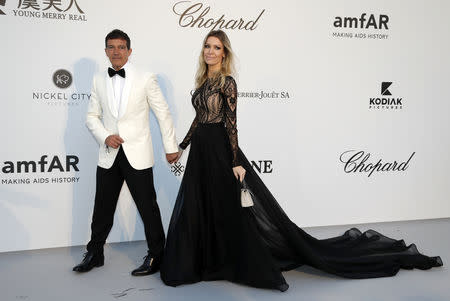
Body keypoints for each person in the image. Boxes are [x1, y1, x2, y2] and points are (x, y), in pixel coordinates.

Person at [159, 30, 443, 291]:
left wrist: (235, 160)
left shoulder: (227, 82)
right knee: (202, 205)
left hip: (221, 151)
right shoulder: (203, 81)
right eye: (207, 46)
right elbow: (200, 119)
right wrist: (182, 146)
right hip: (201, 153)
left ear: (224, 53)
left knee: (228, 207)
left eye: (216, 47)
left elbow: (231, 124)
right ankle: (208, 259)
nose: (210, 51)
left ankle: (238, 259)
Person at [73, 29, 179, 276]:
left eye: (121, 47)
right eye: (111, 47)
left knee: (147, 208)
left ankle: (157, 255)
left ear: (130, 51)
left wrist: (171, 147)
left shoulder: (145, 77)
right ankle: (95, 252)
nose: (116, 51)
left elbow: (162, 112)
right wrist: (104, 136)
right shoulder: (99, 79)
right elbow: (91, 116)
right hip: (109, 152)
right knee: (102, 207)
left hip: (137, 153)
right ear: (106, 51)